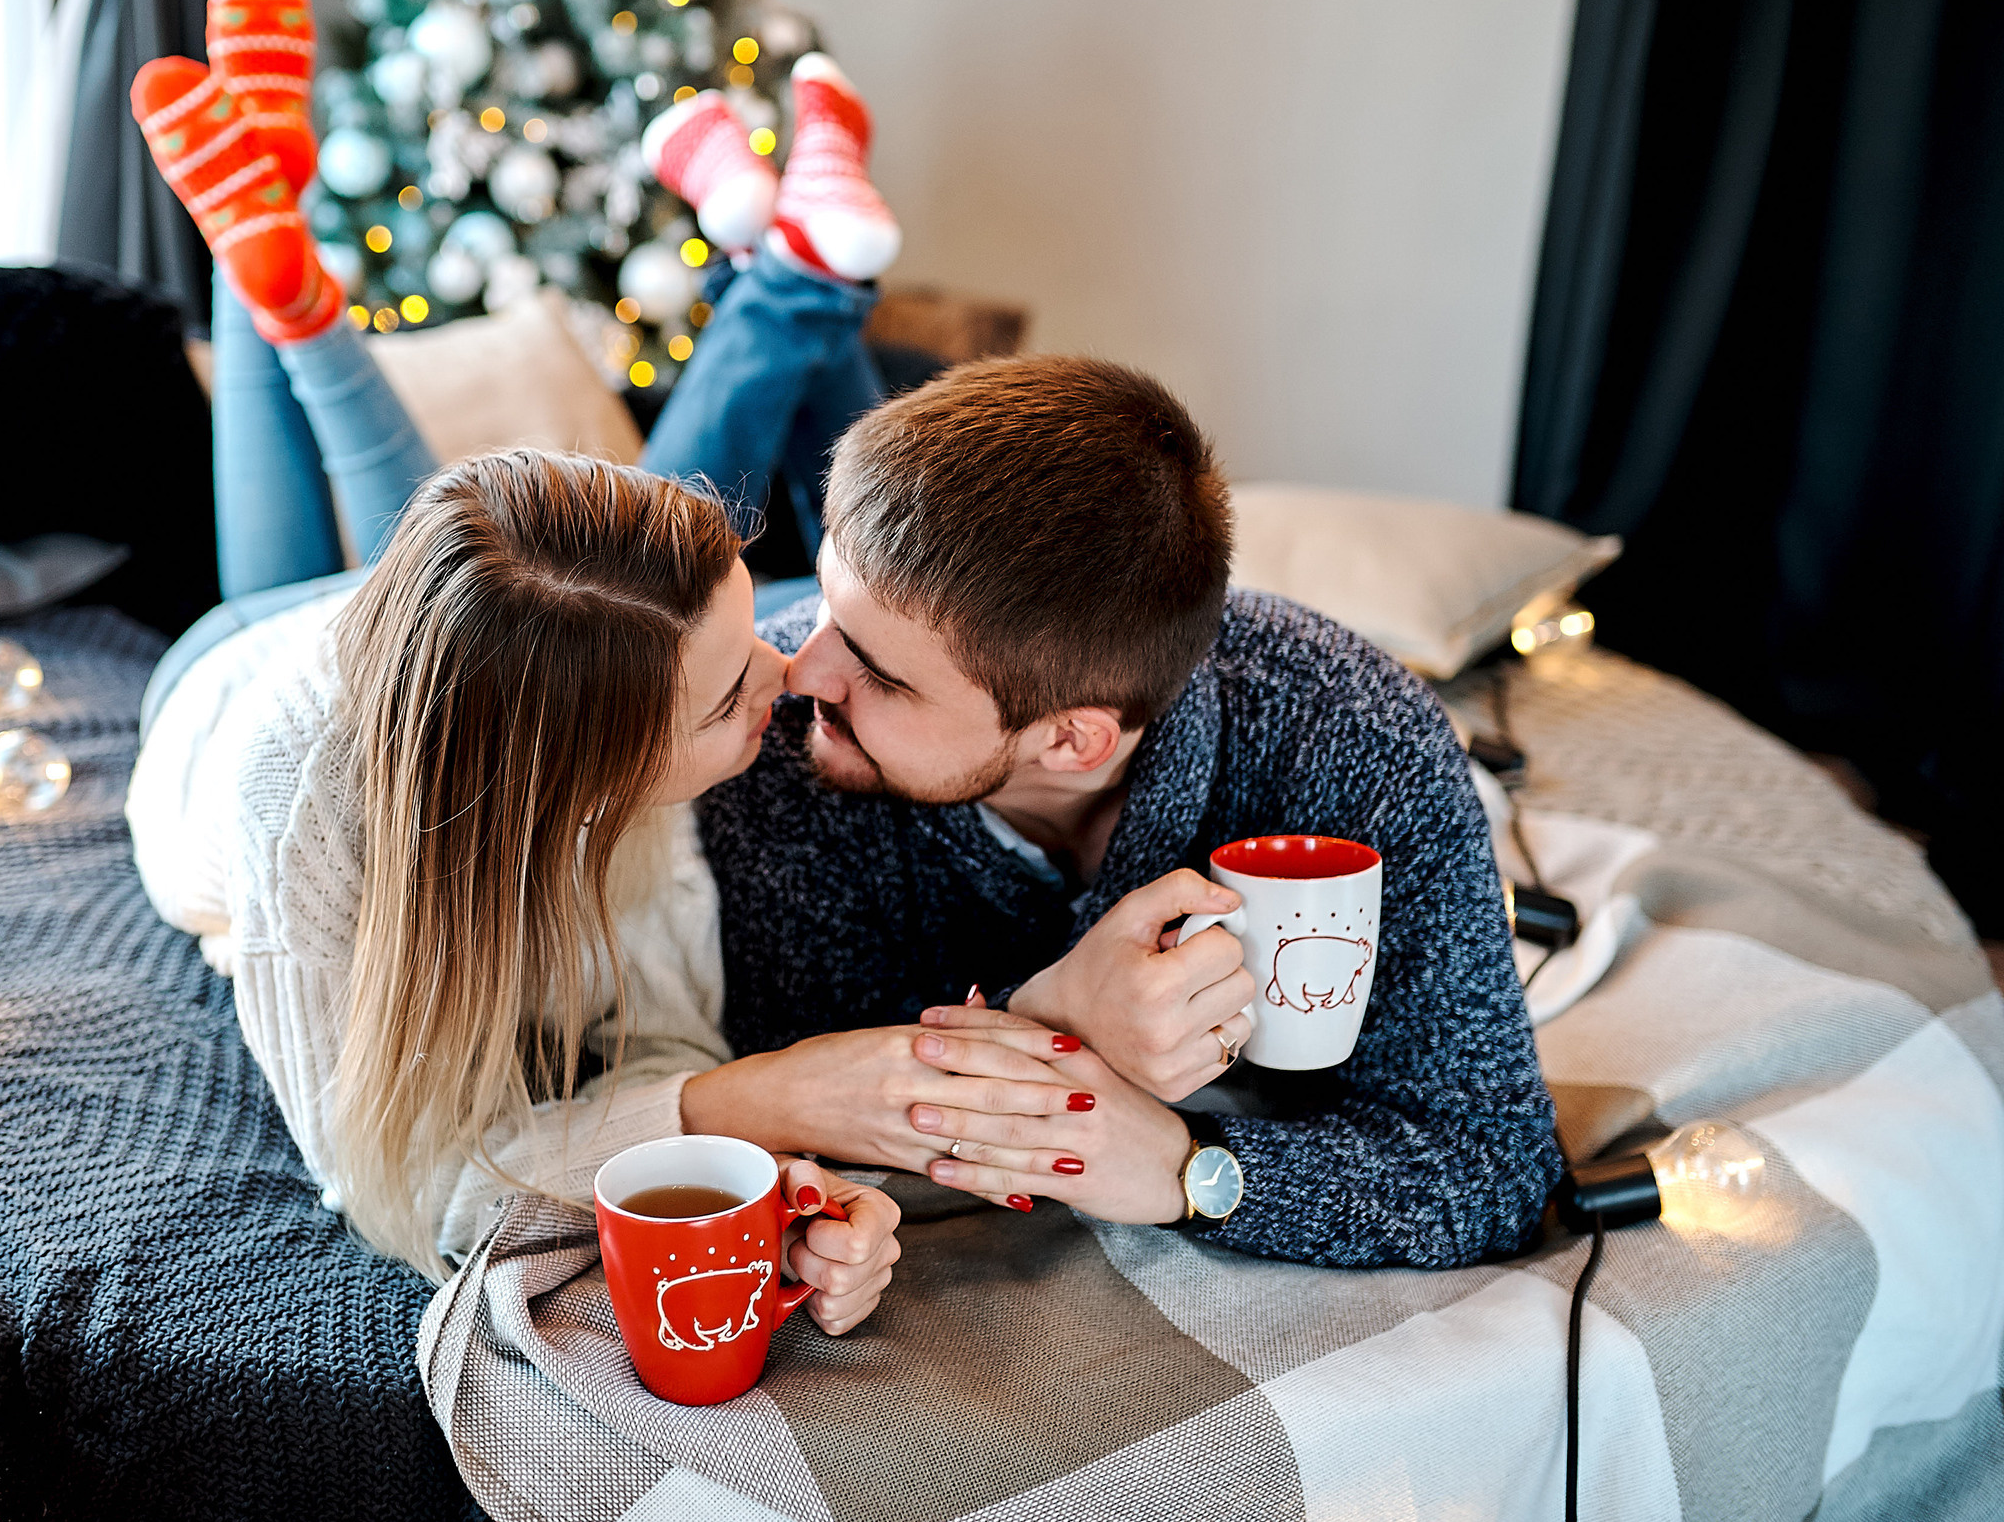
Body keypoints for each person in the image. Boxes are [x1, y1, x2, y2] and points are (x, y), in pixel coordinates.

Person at [122, 0, 920, 1308]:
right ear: (580, 768)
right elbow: (396, 1188)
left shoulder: (599, 692)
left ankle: (279, 237)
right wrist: (765, 1098)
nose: (789, 676)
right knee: (293, 568)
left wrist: (761, 1166)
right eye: (734, 692)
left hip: (421, 627)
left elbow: (659, 1040)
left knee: (447, 540)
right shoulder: (298, 815)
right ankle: (269, 257)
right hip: (217, 688)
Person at [670, 349, 1564, 1267]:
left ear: (1073, 741)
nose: (799, 671)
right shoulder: (773, 745)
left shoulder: (1361, 744)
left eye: (882, 676)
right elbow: (800, 1083)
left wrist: (1187, 1168)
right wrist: (1057, 1021)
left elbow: (1492, 1167)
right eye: (824, 599)